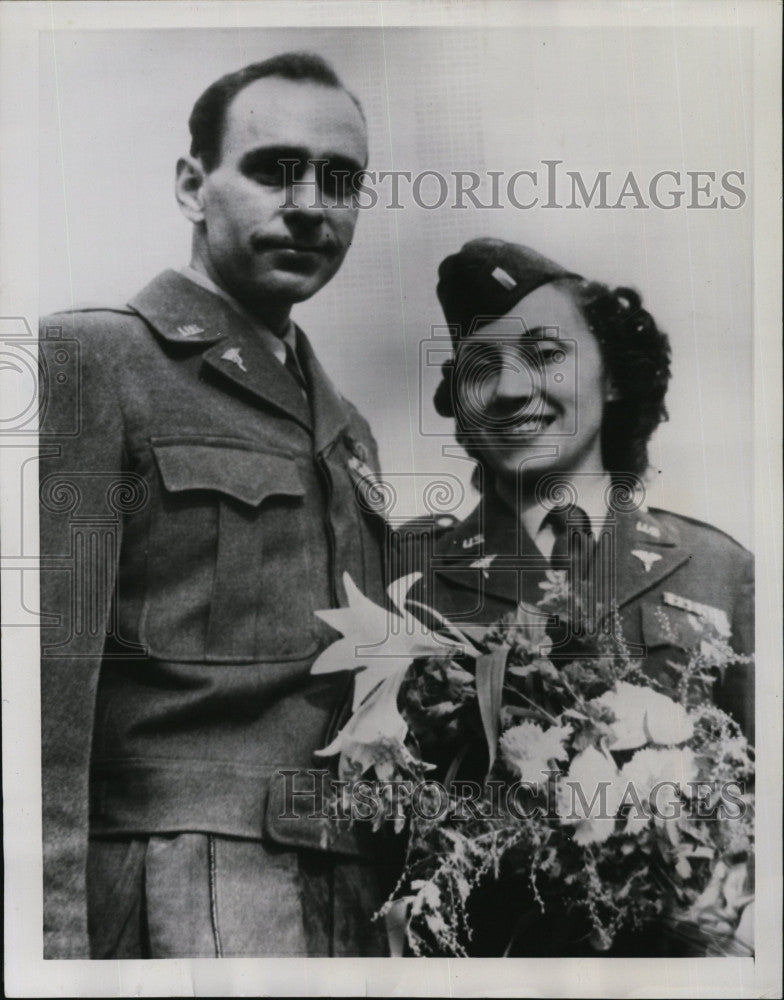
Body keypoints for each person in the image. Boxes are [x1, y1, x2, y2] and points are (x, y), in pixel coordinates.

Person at [39, 52, 389, 959]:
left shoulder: (350, 434)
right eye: (275, 169)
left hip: (342, 897)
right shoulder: (97, 363)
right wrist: (49, 946)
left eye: (340, 179)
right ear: (194, 186)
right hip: (166, 895)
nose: (310, 203)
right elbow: (42, 687)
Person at [398, 237, 754, 955]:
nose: (508, 389)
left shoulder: (720, 571)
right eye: (480, 368)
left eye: (545, 354)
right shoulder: (406, 573)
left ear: (614, 378)